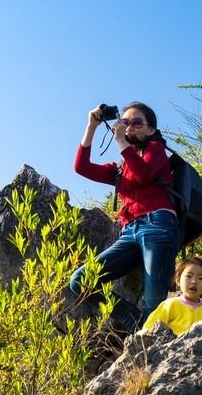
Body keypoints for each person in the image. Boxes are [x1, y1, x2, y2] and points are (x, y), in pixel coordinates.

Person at [69, 101, 180, 331]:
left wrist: (120, 140)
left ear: (150, 129)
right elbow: (81, 167)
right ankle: (138, 324)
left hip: (158, 225)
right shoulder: (121, 168)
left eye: (137, 122)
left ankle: (150, 336)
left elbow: (142, 175)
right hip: (129, 232)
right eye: (125, 122)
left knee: (154, 306)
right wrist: (91, 126)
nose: (129, 127)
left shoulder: (156, 150)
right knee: (80, 281)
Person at [143, 256, 202, 336]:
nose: (194, 281)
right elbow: (149, 327)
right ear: (177, 279)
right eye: (189, 276)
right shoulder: (170, 305)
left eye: (201, 278)